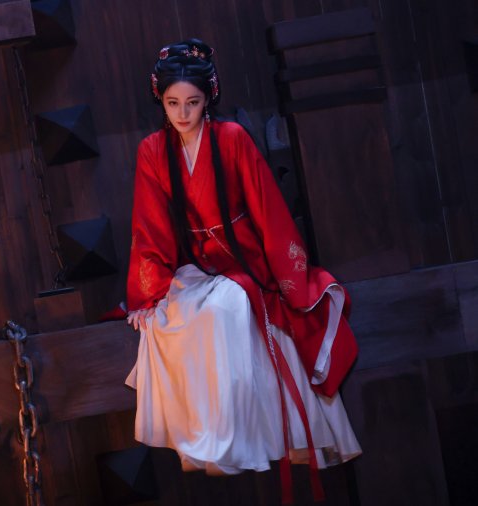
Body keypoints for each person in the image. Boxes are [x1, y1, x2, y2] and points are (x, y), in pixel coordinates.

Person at [123, 39, 361, 503]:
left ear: (208, 97)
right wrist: (147, 294)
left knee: (229, 308)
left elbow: (267, 208)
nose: (183, 113)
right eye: (172, 103)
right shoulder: (152, 150)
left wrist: (291, 281)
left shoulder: (230, 137)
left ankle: (243, 436)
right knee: (168, 321)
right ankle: (209, 437)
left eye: (192, 102)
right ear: (160, 101)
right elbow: (149, 224)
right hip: (196, 262)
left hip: (244, 255)